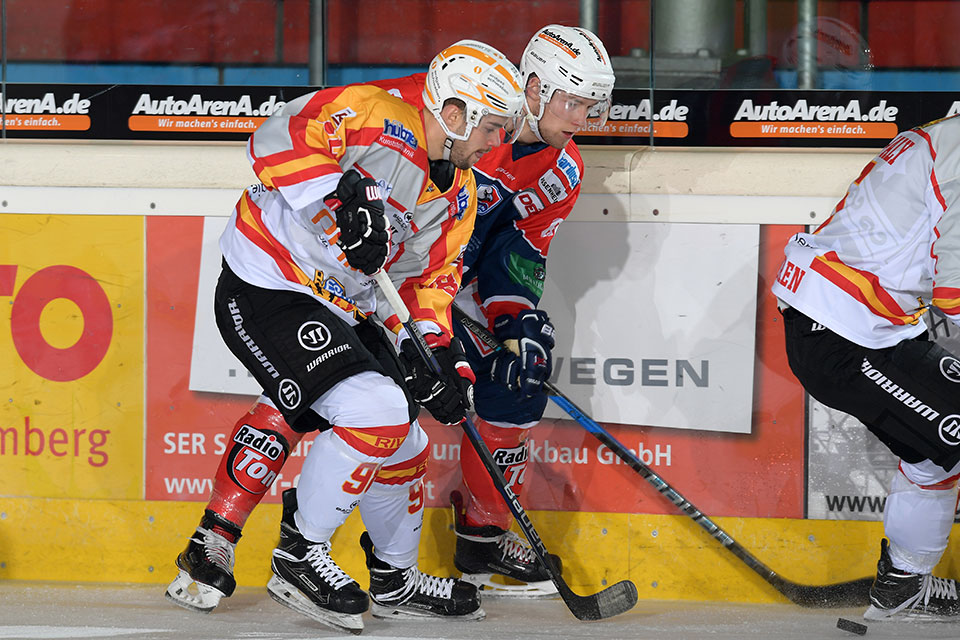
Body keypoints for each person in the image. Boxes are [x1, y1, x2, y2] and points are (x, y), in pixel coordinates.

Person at [164, 40, 525, 635]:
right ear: (455, 112)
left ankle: (395, 578)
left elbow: (424, 286)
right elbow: (276, 135)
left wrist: (436, 354)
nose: (496, 142)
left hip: (341, 305)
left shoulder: (459, 197)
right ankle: (298, 555)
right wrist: (337, 201)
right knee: (375, 409)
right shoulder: (377, 115)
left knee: (405, 437)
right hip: (269, 283)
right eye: (490, 127)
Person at [371, 24, 616, 597]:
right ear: (533, 88)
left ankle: (482, 540)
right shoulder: (460, 115)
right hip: (380, 286)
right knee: (387, 401)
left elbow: (518, 250)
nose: (581, 117)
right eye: (572, 101)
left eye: (591, 105)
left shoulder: (562, 170)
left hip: (445, 295)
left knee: (519, 372)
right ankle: (363, 553)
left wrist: (516, 319)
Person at [772, 114, 960, 621]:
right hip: (841, 331)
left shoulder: (944, 136)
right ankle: (903, 581)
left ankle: (902, 585)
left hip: (860, 324)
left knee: (936, 454)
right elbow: (955, 289)